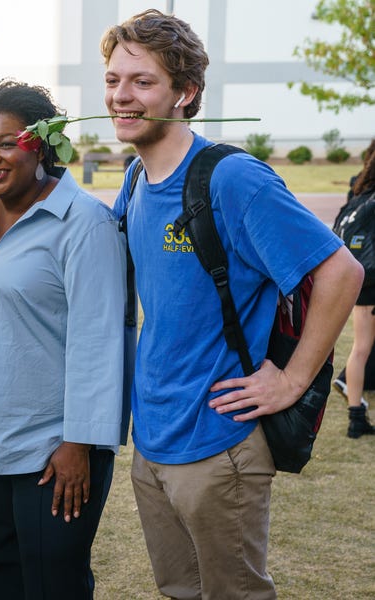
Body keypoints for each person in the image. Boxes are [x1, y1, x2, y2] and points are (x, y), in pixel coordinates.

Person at [103, 9, 363, 598]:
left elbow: (342, 271)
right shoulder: (137, 179)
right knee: (180, 590)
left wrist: (293, 380)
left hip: (220, 442)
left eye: (142, 82)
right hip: (153, 439)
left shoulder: (231, 179)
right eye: (115, 80)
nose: (122, 95)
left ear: (185, 92)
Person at [0, 80, 131, 599]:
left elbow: (98, 339)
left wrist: (79, 442)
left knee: (54, 584)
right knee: (0, 577)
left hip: (52, 449)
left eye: (7, 143)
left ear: (40, 145)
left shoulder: (84, 222)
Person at [339, 140, 375, 438]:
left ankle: (356, 417)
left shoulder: (359, 189)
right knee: (362, 348)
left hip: (362, 275)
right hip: (373, 280)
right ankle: (356, 417)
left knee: (360, 348)